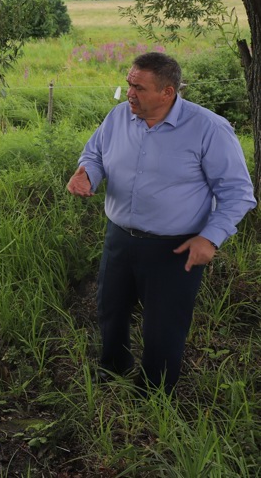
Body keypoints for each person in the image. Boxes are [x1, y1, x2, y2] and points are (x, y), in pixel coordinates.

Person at [67, 52, 256, 394]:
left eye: (138, 87)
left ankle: (154, 393)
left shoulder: (208, 128)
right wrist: (87, 175)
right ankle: (113, 370)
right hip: (120, 238)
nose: (129, 93)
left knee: (163, 326)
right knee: (110, 309)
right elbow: (95, 154)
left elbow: (238, 192)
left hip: (176, 246)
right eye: (128, 84)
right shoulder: (118, 118)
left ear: (167, 92)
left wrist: (210, 238)